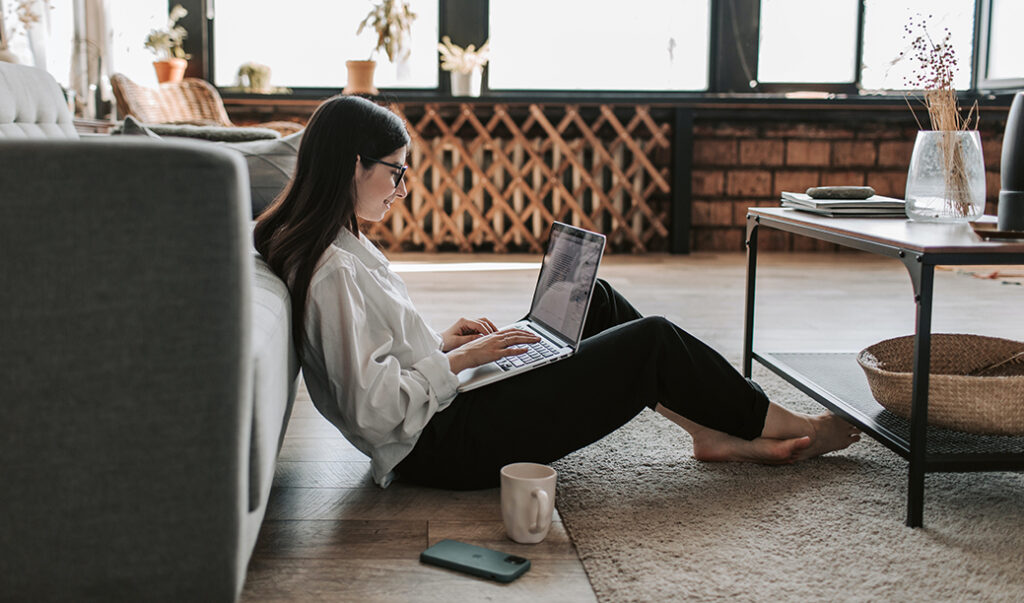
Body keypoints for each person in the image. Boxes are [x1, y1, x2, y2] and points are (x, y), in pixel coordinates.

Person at [254, 95, 860, 490]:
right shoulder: (333, 268)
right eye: (396, 172)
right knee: (652, 341)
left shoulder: (342, 245)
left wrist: (443, 342)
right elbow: (374, 410)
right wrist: (458, 362)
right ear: (353, 165)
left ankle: (708, 431)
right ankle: (781, 423)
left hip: (443, 411)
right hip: (438, 447)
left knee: (593, 300)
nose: (402, 188)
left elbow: (376, 362)